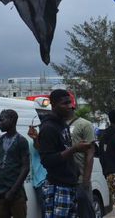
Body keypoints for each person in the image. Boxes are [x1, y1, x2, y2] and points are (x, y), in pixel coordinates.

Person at [38, 89, 93, 218]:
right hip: (57, 186)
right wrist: (74, 149)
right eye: (65, 103)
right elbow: (47, 160)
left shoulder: (62, 124)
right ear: (54, 105)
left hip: (70, 184)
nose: (70, 106)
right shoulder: (48, 128)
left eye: (70, 103)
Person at [0, 110, 30, 218]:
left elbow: (25, 167)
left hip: (16, 193)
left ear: (12, 120)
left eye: (2, 120)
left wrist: (13, 191)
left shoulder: (21, 141)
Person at [67, 97, 95, 218]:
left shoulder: (85, 124)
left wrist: (86, 180)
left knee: (85, 213)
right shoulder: (58, 125)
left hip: (80, 179)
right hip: (65, 179)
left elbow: (90, 153)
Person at [26, 124, 47, 209]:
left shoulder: (40, 142)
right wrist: (35, 139)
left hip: (41, 181)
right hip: (42, 181)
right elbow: (38, 147)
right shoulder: (35, 142)